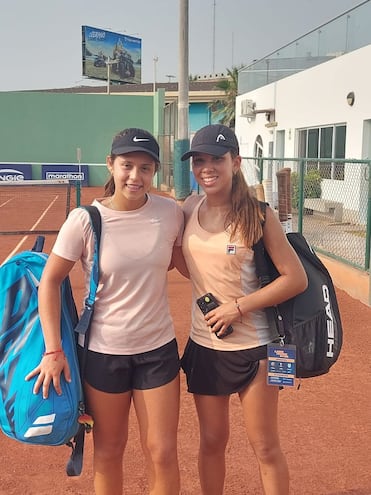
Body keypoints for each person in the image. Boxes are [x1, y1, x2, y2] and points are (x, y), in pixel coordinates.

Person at [26, 128, 184, 495]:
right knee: (109, 451)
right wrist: (53, 350)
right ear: (110, 165)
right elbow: (49, 283)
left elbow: (186, 260)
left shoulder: (169, 213)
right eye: (127, 165)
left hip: (157, 350)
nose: (135, 176)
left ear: (155, 171)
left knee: (162, 452)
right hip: (103, 354)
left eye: (146, 168)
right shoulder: (85, 220)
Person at [178, 124, 308, 495]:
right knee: (212, 442)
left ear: (235, 162)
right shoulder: (189, 207)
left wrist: (238, 307)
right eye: (199, 160)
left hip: (261, 349)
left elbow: (295, 279)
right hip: (206, 347)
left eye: (216, 159)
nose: (207, 168)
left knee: (265, 444)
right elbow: (190, 265)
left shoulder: (259, 215)